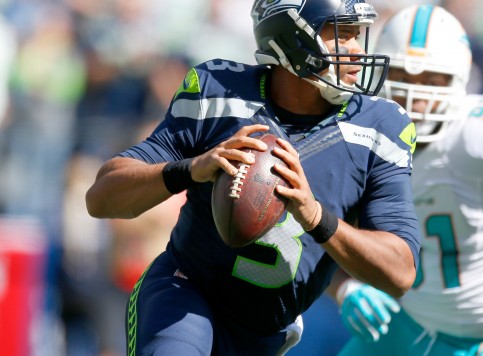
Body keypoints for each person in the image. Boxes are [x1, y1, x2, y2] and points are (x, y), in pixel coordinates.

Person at [84, 1, 421, 355]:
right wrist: (192, 168)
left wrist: (316, 217)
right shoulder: (219, 90)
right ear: (292, 36)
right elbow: (101, 197)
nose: (356, 51)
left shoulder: (380, 128)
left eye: (357, 35)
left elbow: (400, 272)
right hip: (186, 292)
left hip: (267, 330)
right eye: (341, 34)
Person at [329, 5, 483, 356]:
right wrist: (345, 287)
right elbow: (317, 226)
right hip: (402, 324)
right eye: (403, 75)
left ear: (458, 80)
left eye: (431, 80)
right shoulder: (357, 135)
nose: (416, 96)